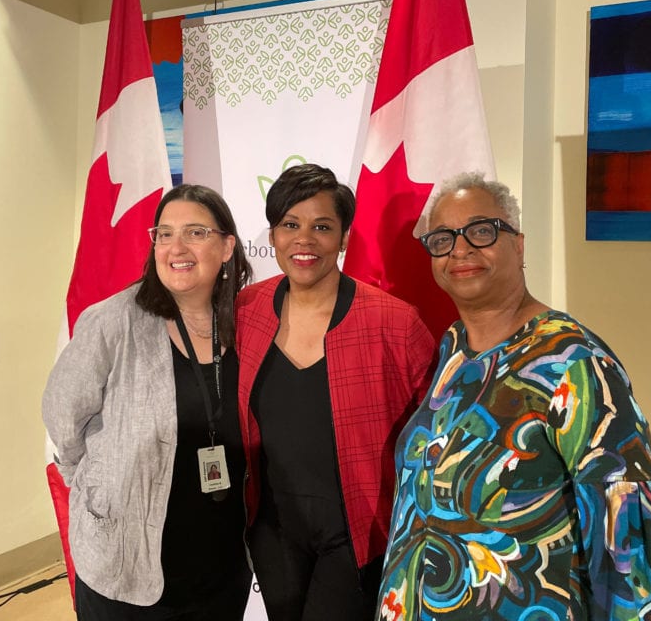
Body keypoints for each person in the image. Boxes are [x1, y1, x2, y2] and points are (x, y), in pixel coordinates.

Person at [376, 173, 651, 620]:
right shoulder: (453, 349)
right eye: (442, 239)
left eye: (481, 231)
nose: (460, 250)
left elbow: (630, 528)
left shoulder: (573, 361)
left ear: (518, 245)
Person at [42, 184, 254, 621]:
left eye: (195, 232)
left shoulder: (247, 323)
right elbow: (62, 413)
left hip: (220, 561)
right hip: (126, 562)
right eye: (164, 234)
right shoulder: (113, 322)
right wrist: (95, 481)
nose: (177, 247)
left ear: (228, 246)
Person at [235, 163, 436, 621]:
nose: (304, 240)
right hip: (273, 528)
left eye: (322, 227)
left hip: (358, 529)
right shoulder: (245, 311)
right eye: (290, 225)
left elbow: (437, 432)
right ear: (273, 235)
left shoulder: (395, 322)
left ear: (344, 237)